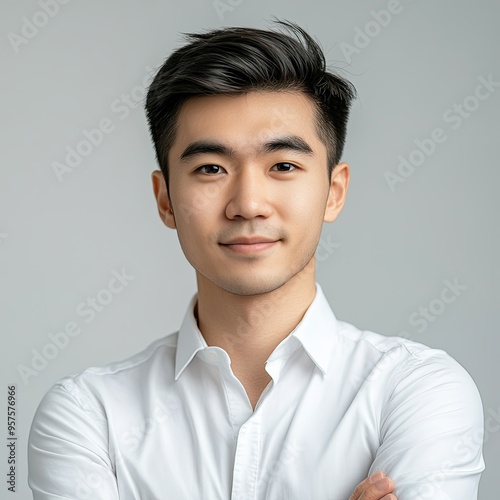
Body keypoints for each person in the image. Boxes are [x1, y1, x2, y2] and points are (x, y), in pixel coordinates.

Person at [28, 19, 485, 499]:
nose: (247, 203)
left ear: (334, 192)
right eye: (211, 168)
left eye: (283, 166)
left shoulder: (416, 391)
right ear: (165, 200)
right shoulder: (87, 415)